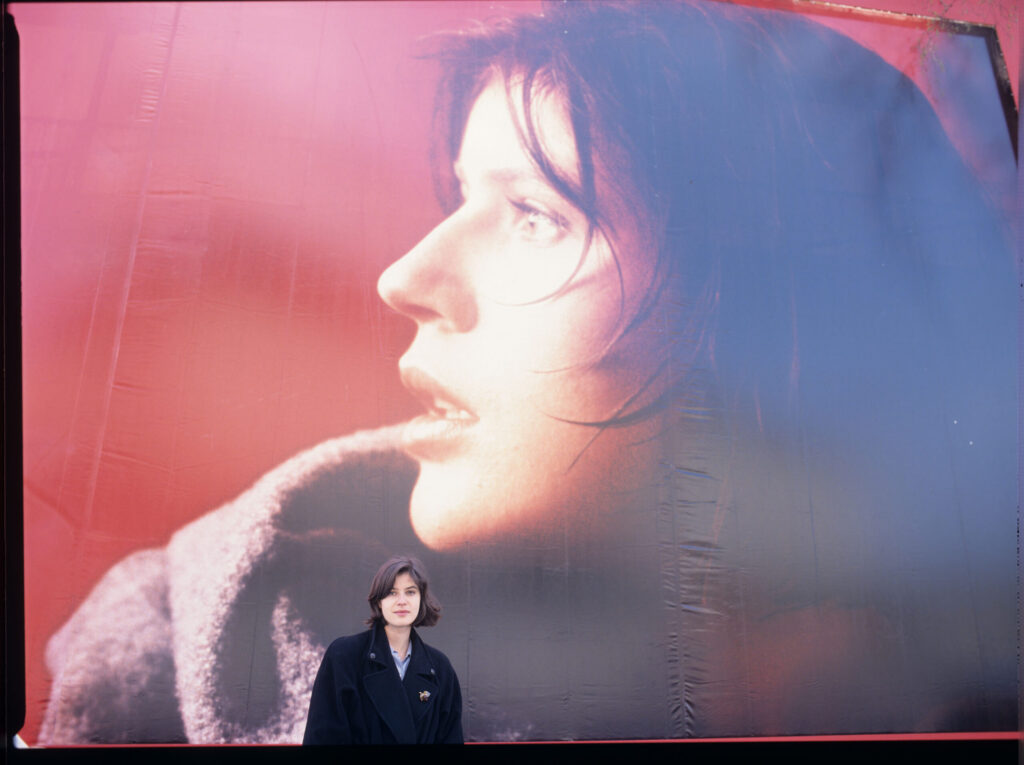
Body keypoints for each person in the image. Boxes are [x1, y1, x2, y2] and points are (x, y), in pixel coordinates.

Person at [39, 0, 1015, 744]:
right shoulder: (159, 671)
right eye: (462, 196)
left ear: (783, 325)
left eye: (538, 212)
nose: (404, 277)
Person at [301, 556, 462, 745]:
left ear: (421, 599)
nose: (402, 601)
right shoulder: (343, 656)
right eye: (392, 593)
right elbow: (323, 739)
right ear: (378, 601)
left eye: (410, 592)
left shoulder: (440, 668)